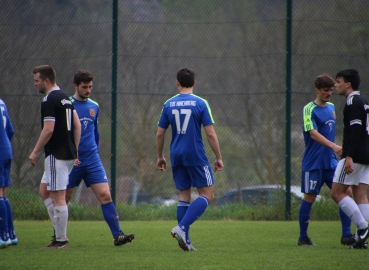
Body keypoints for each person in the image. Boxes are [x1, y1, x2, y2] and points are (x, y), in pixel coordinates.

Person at [156, 67, 223, 251]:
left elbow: (160, 134)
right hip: (195, 154)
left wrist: (160, 156)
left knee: (184, 196)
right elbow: (210, 133)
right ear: (194, 82)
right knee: (207, 195)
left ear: (177, 82)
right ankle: (182, 228)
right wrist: (218, 156)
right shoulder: (201, 103)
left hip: (176, 154)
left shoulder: (168, 104)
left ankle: (185, 240)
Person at [65, 70, 134, 246]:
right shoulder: (66, 105)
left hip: (92, 159)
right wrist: (72, 155)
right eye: (84, 87)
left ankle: (117, 235)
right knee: (64, 198)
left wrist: (94, 149)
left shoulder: (94, 106)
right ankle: (60, 237)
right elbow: (62, 134)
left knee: (105, 195)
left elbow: (95, 132)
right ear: (75, 86)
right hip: (73, 160)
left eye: (90, 87)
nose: (88, 90)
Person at [298, 74, 354, 246]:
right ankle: (303, 237)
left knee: (346, 193)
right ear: (317, 90)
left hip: (331, 163)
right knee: (309, 197)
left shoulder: (331, 107)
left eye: (331, 90)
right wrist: (333, 146)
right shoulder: (309, 109)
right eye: (325, 91)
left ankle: (346, 235)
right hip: (313, 163)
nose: (329, 93)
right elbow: (313, 134)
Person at [29, 65, 81, 248]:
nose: (34, 84)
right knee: (44, 191)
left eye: (36, 80)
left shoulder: (49, 99)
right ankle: (59, 233)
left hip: (56, 155)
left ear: (47, 80)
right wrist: (75, 149)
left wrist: (35, 151)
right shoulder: (66, 98)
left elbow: (48, 129)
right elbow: (77, 125)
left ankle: (60, 239)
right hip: (67, 154)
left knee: (58, 196)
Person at [331, 69, 369, 249]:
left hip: (355, 156)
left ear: (348, 84)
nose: (335, 85)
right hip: (366, 155)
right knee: (360, 195)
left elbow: (356, 131)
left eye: (338, 81)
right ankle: (362, 240)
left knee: (336, 192)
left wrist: (349, 155)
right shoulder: (364, 101)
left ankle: (363, 228)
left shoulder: (352, 101)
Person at [0, 98, 16, 248]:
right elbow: (10, 130)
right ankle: (10, 234)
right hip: (6, 150)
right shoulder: (2, 102)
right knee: (3, 194)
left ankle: (2, 236)